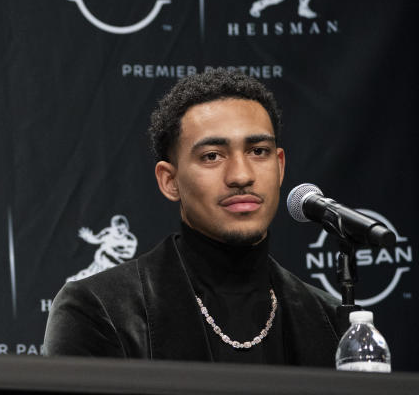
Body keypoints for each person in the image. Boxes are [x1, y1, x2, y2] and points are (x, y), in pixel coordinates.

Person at [43, 70, 342, 365]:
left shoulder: (331, 320)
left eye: (258, 151)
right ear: (169, 181)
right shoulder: (98, 309)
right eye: (212, 156)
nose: (241, 175)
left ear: (279, 166)